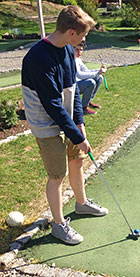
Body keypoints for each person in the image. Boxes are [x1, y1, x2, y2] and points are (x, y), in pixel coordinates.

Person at [22, 5, 108, 245]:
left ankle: (81, 204)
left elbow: (73, 93)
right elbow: (52, 105)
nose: (83, 39)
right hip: (45, 123)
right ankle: (58, 226)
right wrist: (78, 136)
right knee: (57, 175)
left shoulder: (69, 51)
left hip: (67, 117)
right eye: (82, 35)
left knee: (77, 160)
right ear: (72, 32)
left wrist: (79, 123)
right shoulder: (37, 58)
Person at [74, 42, 107, 115]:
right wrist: (97, 73)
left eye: (81, 50)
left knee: (99, 78)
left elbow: (86, 70)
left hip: (79, 84)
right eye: (77, 49)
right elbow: (79, 75)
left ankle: (88, 101)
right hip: (72, 87)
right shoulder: (72, 59)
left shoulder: (78, 59)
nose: (79, 52)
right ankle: (83, 108)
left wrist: (98, 70)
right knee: (90, 82)